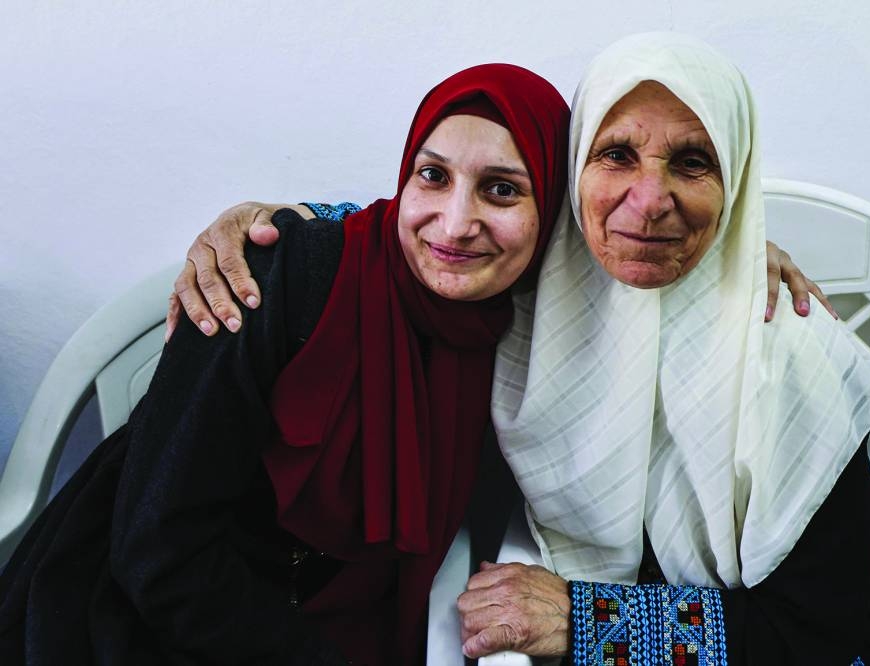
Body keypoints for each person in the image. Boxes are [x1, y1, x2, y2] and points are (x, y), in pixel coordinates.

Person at [0, 63, 569, 666]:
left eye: (502, 189)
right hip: (132, 620)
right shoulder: (269, 278)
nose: (454, 223)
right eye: (432, 175)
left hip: (334, 619)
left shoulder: (523, 343)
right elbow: (156, 550)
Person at [459, 33, 870, 664]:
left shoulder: (791, 352)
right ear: (571, 169)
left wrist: (588, 621)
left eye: (694, 162)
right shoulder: (527, 324)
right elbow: (410, 243)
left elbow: (815, 631)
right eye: (616, 154)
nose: (649, 203)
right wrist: (284, 225)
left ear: (736, 183)